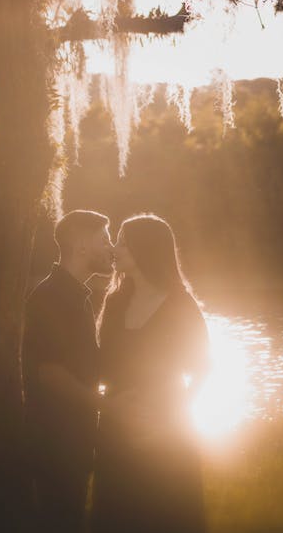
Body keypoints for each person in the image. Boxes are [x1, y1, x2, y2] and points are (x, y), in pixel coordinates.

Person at [93, 213, 210, 533]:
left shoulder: (180, 304)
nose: (115, 248)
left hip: (169, 431)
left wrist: (166, 416)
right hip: (117, 428)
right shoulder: (115, 302)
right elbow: (104, 367)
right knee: (118, 513)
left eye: (123, 242)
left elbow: (202, 367)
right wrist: (115, 406)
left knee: (166, 513)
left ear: (146, 249)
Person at [22, 209, 113, 533]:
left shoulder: (80, 296)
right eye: (105, 239)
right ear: (81, 245)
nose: (111, 247)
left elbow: (84, 364)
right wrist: (107, 406)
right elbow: (50, 372)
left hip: (75, 437)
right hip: (55, 440)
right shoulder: (51, 296)